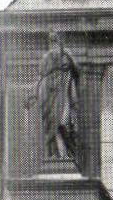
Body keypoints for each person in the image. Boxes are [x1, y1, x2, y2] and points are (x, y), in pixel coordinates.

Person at [32, 34, 79, 163]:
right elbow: (42, 72)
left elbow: (73, 67)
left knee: (63, 123)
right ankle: (58, 154)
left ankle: (67, 153)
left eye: (56, 40)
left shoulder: (66, 56)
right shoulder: (47, 59)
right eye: (52, 40)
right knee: (52, 125)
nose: (54, 43)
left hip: (62, 91)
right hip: (49, 93)